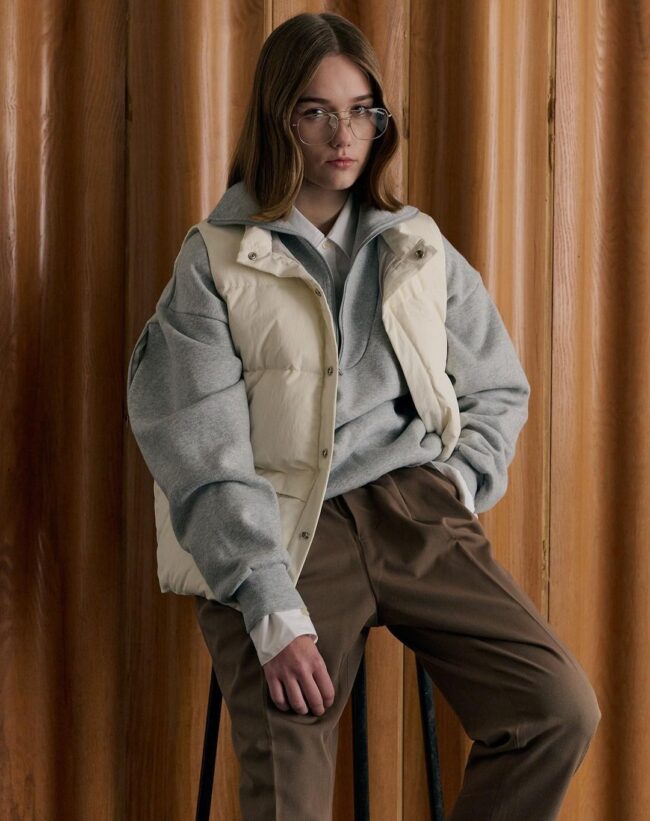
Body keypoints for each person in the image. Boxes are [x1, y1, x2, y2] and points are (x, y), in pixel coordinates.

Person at [126, 11, 601, 821]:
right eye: (316, 111)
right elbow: (201, 450)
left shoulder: (417, 246)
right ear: (278, 120)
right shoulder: (215, 260)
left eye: (361, 111)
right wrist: (269, 605)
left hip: (418, 510)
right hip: (284, 530)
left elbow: (497, 386)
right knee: (291, 794)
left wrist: (457, 482)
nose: (343, 135)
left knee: (556, 708)